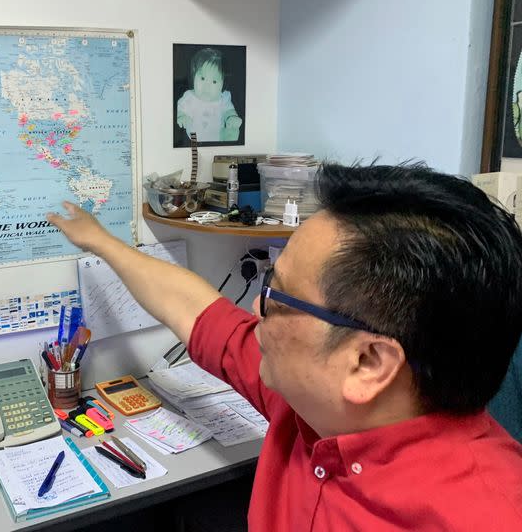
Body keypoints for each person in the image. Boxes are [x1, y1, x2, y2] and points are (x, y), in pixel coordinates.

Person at [47, 162, 522, 531]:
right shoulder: (314, 399)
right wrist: (101, 241)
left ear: (368, 362)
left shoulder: (491, 515)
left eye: (278, 295)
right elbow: (193, 310)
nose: (256, 307)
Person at [176, 47, 241, 143]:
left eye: (214, 81)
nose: (207, 86)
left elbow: (229, 110)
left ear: (223, 83)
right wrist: (182, 116)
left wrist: (232, 117)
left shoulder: (223, 99)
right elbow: (181, 109)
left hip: (219, 136)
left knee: (228, 135)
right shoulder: (190, 97)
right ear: (194, 75)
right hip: (194, 137)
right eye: (202, 78)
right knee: (195, 153)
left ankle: (230, 135)